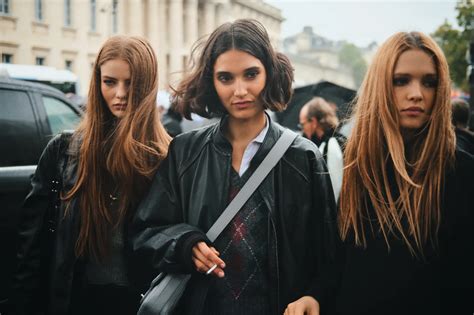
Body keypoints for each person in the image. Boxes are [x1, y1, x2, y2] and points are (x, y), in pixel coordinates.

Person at [130, 19, 337, 315]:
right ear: (211, 83)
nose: (240, 90)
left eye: (251, 74)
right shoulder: (185, 152)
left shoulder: (303, 157)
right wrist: (184, 244)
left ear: (269, 73)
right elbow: (146, 231)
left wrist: (313, 296)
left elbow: (329, 256)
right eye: (226, 78)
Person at [293, 31, 474, 315]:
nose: (416, 93)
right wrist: (314, 295)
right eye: (401, 81)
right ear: (380, 85)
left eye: (429, 82)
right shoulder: (357, 163)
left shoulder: (460, 171)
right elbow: (344, 257)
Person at [12, 35, 171, 315]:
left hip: (142, 304)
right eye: (110, 82)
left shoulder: (168, 158)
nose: (120, 94)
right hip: (76, 300)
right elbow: (32, 249)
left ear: (146, 86)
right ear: (97, 83)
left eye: (130, 83)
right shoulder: (63, 152)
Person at [299, 97, 346, 201]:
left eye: (303, 124)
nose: (302, 129)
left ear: (314, 122)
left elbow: (335, 188)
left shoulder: (331, 144)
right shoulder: (332, 141)